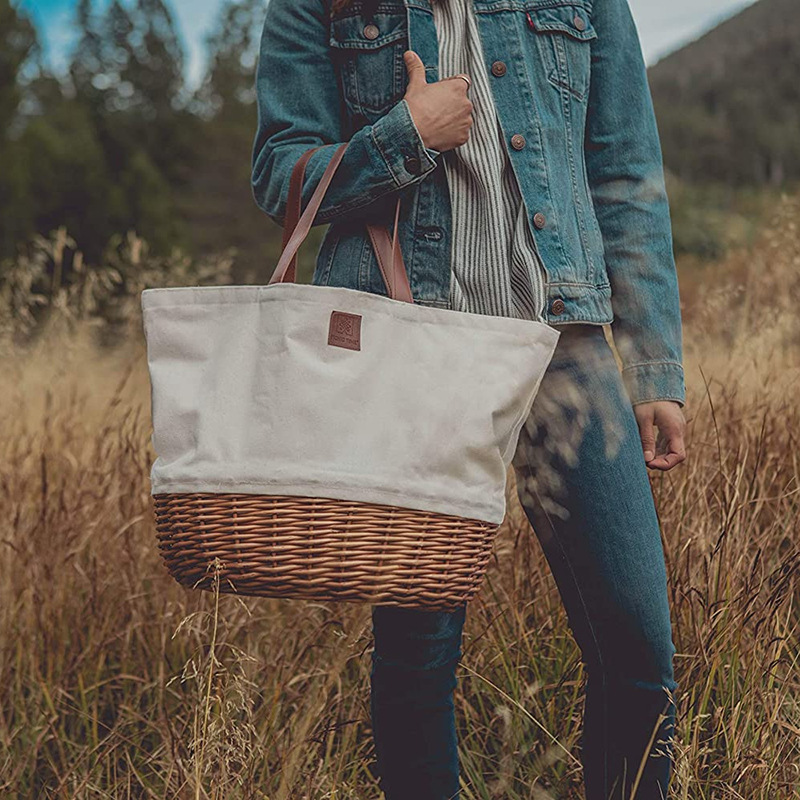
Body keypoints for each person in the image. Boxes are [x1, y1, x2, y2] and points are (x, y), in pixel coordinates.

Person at [252, 0, 688, 798]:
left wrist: (655, 364)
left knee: (638, 647)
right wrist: (402, 138)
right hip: (412, 347)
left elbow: (624, 172)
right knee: (419, 655)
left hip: (566, 346)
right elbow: (280, 172)